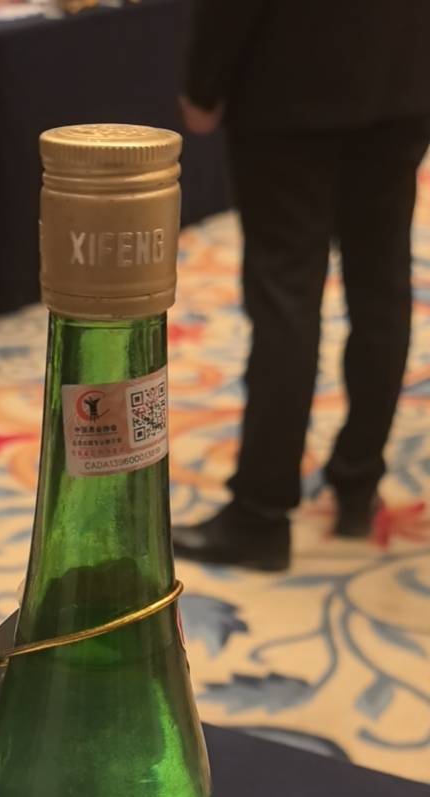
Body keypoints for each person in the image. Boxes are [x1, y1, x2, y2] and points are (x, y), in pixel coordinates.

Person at [173, 0, 430, 571]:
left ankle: (260, 516)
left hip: (291, 80)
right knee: (381, 284)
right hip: (402, 77)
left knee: (286, 294)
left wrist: (204, 85)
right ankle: (358, 483)